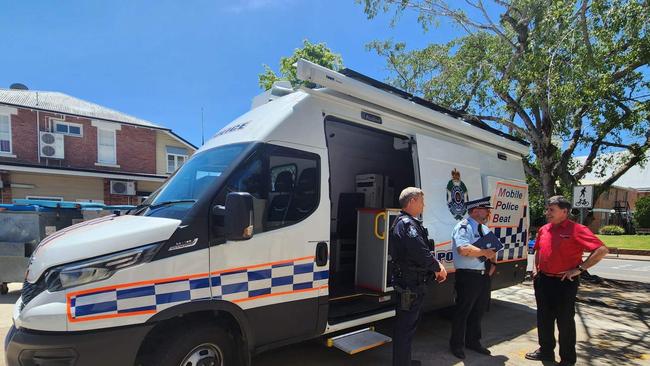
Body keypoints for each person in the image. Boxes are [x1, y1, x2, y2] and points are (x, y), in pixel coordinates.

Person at [526, 196, 609, 366]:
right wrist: (535, 271)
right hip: (543, 281)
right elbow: (539, 250)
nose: (547, 212)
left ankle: (567, 359)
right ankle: (546, 351)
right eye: (547, 209)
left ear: (564, 211)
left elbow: (601, 250)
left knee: (565, 322)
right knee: (544, 319)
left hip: (565, 283)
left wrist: (579, 269)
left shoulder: (577, 229)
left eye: (551, 210)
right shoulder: (544, 229)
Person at [390, 187, 447, 366]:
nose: (424, 205)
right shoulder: (407, 224)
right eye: (422, 201)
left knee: (408, 326)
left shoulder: (406, 222)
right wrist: (438, 267)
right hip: (409, 284)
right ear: (412, 201)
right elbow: (420, 252)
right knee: (405, 327)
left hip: (411, 282)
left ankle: (404, 360)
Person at [449, 196, 497, 359]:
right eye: (486, 209)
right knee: (463, 312)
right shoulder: (463, 227)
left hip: (483, 276)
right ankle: (456, 345)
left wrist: (493, 265)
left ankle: (473, 342)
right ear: (476, 211)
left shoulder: (484, 228)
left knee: (478, 311)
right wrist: (484, 252)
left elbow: (493, 248)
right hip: (468, 277)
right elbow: (463, 249)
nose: (489, 212)